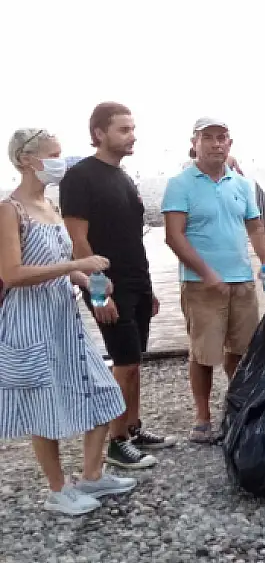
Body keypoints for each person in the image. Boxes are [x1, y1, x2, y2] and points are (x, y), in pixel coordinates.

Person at [2, 128, 138, 515]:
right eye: (54, 154)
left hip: (64, 317)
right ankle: (58, 489)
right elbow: (11, 273)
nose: (60, 161)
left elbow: (59, 268)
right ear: (28, 160)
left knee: (101, 390)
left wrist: (91, 283)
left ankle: (92, 475)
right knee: (43, 404)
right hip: (30, 319)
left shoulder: (50, 206)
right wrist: (77, 264)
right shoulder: (9, 210)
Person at [61, 102, 168, 470]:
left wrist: (148, 286)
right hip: (107, 287)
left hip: (137, 281)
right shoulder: (80, 177)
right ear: (99, 134)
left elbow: (130, 239)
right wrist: (96, 291)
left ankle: (132, 427)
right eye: (123, 129)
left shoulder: (123, 176)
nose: (132, 135)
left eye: (132, 128)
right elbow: (78, 241)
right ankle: (116, 442)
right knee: (122, 364)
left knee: (134, 361)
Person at [162, 118, 265, 444]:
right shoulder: (180, 184)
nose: (215, 144)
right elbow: (173, 235)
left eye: (221, 138)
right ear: (194, 142)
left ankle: (237, 408)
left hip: (242, 281)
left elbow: (255, 227)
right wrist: (207, 273)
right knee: (203, 353)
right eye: (207, 138)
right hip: (200, 284)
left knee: (240, 350)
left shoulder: (242, 184)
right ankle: (202, 417)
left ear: (230, 143)